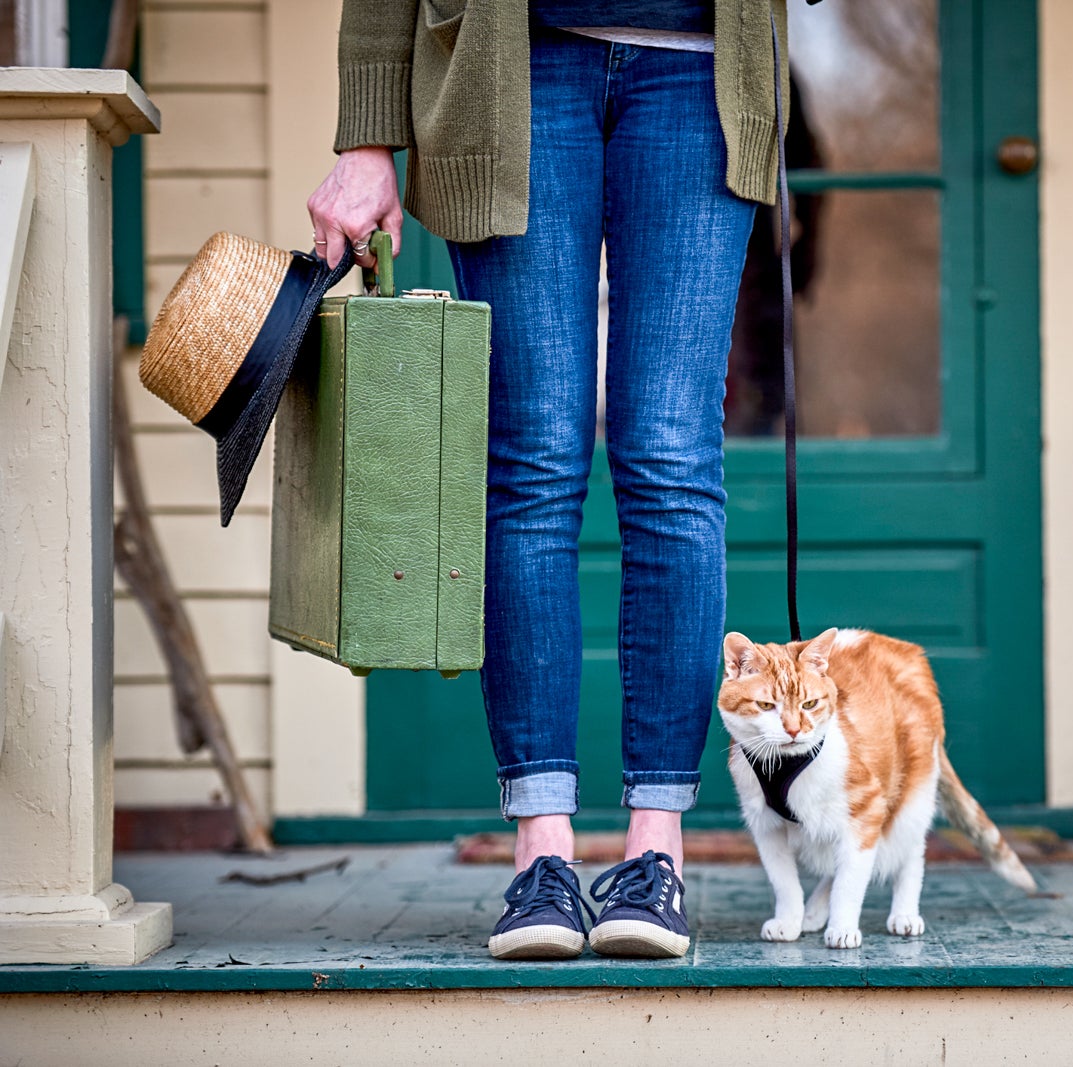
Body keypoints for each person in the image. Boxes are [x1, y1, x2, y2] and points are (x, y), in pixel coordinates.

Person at [308, 0, 808, 960]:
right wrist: (369, 136)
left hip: (703, 74)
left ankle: (654, 856)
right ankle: (542, 855)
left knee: (670, 459)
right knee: (534, 458)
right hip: (513, 71)